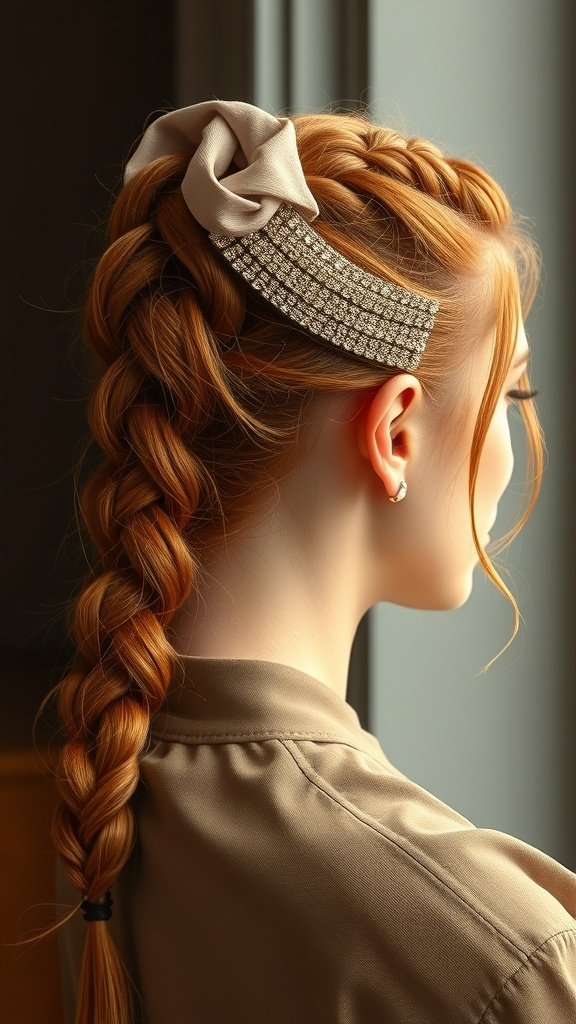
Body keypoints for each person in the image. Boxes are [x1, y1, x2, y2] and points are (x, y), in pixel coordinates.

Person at [31, 99, 576, 1022]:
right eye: (512, 389)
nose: (517, 443)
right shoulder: (507, 959)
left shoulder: (107, 798)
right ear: (396, 432)